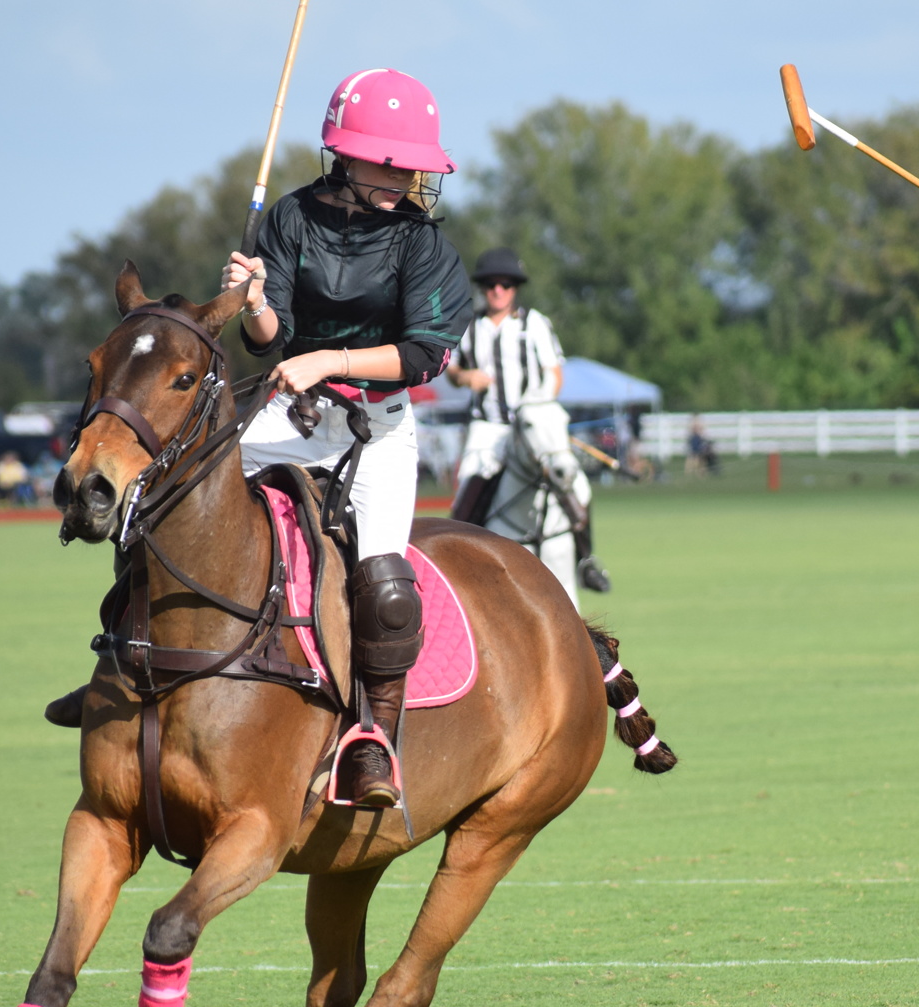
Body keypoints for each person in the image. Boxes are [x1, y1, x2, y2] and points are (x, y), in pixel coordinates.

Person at [199, 68, 472, 808]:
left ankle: (371, 745)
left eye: (412, 164)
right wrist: (254, 299)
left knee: (384, 586)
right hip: (291, 418)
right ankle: (126, 668)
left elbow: (423, 355)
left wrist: (329, 359)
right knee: (180, 508)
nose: (405, 176)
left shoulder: (421, 244)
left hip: (376, 429)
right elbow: (270, 339)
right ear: (345, 155)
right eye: (389, 161)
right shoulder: (291, 219)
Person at [446, 247, 611, 599]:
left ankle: (586, 561)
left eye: (505, 284)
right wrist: (464, 378)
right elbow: (453, 371)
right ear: (483, 287)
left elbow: (555, 373)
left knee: (577, 485)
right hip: (488, 427)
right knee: (466, 491)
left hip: (532, 421)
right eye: (491, 284)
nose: (498, 290)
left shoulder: (534, 323)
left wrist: (536, 407)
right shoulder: (469, 326)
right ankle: (461, 564)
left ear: (515, 287)